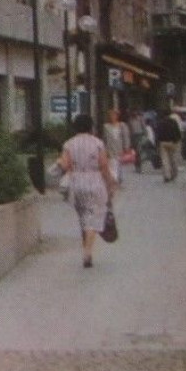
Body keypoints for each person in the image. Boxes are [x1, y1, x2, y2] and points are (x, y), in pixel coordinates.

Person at [59, 113, 119, 269]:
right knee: (93, 218)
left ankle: (85, 245)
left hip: (77, 182)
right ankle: (87, 252)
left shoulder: (68, 144)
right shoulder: (97, 143)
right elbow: (104, 166)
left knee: (83, 217)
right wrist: (110, 184)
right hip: (94, 181)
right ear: (91, 127)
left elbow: (65, 165)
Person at [155, 108, 184, 182]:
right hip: (173, 142)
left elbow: (157, 133)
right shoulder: (173, 122)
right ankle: (174, 174)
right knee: (173, 159)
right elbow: (178, 132)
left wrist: (157, 143)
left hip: (163, 143)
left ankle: (167, 175)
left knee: (165, 160)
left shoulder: (160, 122)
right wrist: (177, 140)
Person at [102, 108, 130, 182]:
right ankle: (114, 180)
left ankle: (119, 178)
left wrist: (126, 147)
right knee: (113, 165)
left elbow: (125, 137)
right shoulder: (106, 126)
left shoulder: (122, 125)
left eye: (114, 115)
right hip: (110, 148)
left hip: (120, 148)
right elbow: (104, 139)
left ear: (117, 116)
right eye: (111, 115)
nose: (112, 117)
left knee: (119, 164)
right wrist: (104, 149)